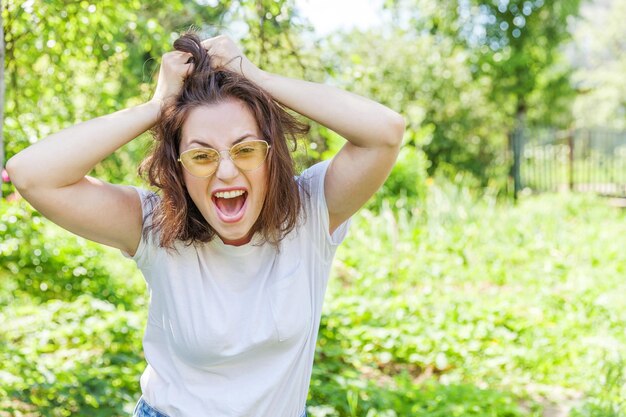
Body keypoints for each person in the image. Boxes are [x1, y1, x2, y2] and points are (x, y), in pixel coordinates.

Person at [6, 32, 404, 417]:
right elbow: (32, 174)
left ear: (271, 157)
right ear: (178, 169)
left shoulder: (312, 210)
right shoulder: (153, 225)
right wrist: (157, 105)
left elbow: (385, 133)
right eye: (201, 156)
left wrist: (257, 77)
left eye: (246, 150)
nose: (226, 172)